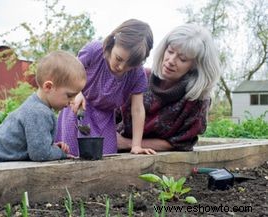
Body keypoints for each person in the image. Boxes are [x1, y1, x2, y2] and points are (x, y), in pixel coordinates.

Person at [56, 19, 156, 156]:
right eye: (119, 59)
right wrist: (77, 93)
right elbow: (69, 74)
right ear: (112, 42)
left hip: (105, 119)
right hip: (78, 110)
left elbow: (138, 110)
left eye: (129, 65)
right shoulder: (94, 51)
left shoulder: (137, 74)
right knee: (70, 155)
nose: (121, 67)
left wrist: (136, 145)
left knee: (106, 156)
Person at [117, 23, 221, 152]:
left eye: (182, 59)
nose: (171, 60)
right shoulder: (139, 77)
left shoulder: (197, 100)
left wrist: (127, 143)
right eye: (170, 51)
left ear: (195, 66)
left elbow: (179, 143)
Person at [0, 51, 87, 163]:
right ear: (48, 87)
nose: (72, 101)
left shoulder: (35, 105)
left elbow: (33, 144)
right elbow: (40, 155)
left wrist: (51, 146)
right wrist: (61, 153)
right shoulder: (39, 112)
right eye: (69, 95)